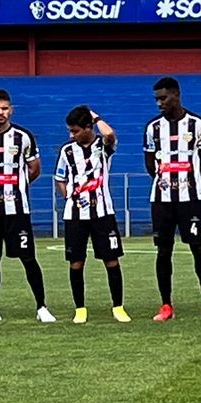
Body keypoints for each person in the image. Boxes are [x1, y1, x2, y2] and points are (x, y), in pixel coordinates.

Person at [0, 89, 55, 325]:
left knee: (28, 258)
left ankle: (42, 306)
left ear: (11, 110)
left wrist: (18, 187)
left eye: (4, 108)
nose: (0, 113)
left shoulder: (23, 137)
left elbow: (34, 168)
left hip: (17, 209)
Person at [144, 76, 201, 322]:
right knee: (163, 251)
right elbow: (150, 164)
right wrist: (166, 181)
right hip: (161, 199)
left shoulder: (198, 124)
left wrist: (192, 183)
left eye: (163, 98)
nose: (159, 103)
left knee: (199, 248)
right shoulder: (153, 128)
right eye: (157, 99)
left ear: (176, 95)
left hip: (191, 198)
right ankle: (166, 305)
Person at [54, 106, 131, 324]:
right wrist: (68, 196)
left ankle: (118, 307)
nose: (72, 135)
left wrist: (96, 116)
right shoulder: (67, 151)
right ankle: (80, 308)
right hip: (75, 215)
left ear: (88, 127)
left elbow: (108, 134)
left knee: (111, 260)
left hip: (103, 214)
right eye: (70, 131)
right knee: (76, 262)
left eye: (76, 131)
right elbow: (59, 178)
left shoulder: (102, 146)